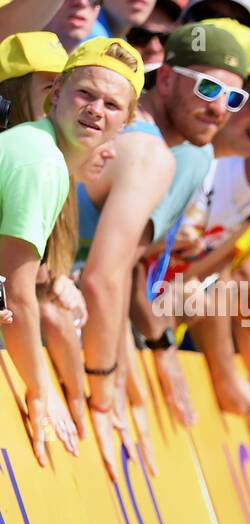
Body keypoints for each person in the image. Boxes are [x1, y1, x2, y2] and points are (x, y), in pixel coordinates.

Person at [77, 23, 247, 477]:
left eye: (235, 98)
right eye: (209, 87)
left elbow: (122, 267)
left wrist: (140, 363)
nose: (219, 107)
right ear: (167, 79)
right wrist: (103, 386)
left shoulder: (179, 148)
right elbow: (102, 279)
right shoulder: (156, 154)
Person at [0, 36, 143, 467]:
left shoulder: (44, 154)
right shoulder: (41, 163)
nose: (96, 110)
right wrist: (39, 387)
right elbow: (16, 293)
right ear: (57, 94)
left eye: (112, 105)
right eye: (85, 93)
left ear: (126, 122)